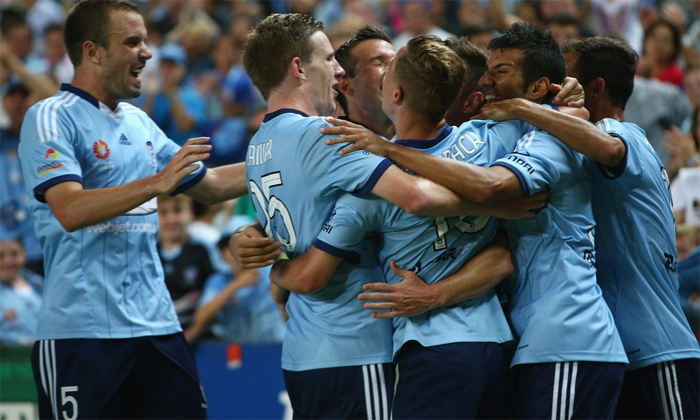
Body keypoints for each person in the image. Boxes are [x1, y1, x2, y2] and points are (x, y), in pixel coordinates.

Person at [325, 23, 628, 419]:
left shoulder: (376, 181)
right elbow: (502, 256)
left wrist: (277, 265)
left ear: (395, 94)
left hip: (443, 344)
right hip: (498, 343)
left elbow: (312, 271)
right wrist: (562, 95)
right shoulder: (493, 136)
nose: (489, 82)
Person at [240, 13, 517, 419]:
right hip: (357, 341)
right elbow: (415, 197)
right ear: (298, 68)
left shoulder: (258, 144)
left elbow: (293, 224)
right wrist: (494, 202)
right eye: (329, 58)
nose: (337, 71)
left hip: (305, 347)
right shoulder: (324, 135)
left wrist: (272, 266)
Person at [18, 0, 248, 417]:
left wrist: (286, 159)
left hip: (158, 328)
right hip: (82, 333)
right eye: (132, 42)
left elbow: (211, 185)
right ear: (92, 51)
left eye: (144, 41)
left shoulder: (139, 122)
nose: (147, 52)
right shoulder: (50, 116)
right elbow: (68, 208)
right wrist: (156, 184)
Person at [474, 36, 699, 419]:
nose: (557, 88)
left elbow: (609, 149)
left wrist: (522, 107)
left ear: (595, 88)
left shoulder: (623, 133)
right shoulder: (570, 148)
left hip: (657, 345)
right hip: (615, 347)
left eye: (566, 78)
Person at [192, 216, 286, 344]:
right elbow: (200, 318)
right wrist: (235, 285)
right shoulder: (218, 281)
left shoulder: (274, 272)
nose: (237, 251)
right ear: (222, 255)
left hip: (274, 347)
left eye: (243, 244)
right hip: (233, 351)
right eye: (230, 247)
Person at [156, 194, 216, 343]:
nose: (171, 219)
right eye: (163, 212)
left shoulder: (202, 251)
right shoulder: (148, 253)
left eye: (177, 210)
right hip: (157, 336)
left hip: (198, 338)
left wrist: (187, 339)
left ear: (191, 214)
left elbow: (214, 296)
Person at [0, 234, 43, 346]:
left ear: (24, 254)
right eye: (1, 256)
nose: (8, 262)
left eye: (14, 254)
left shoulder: (39, 283)